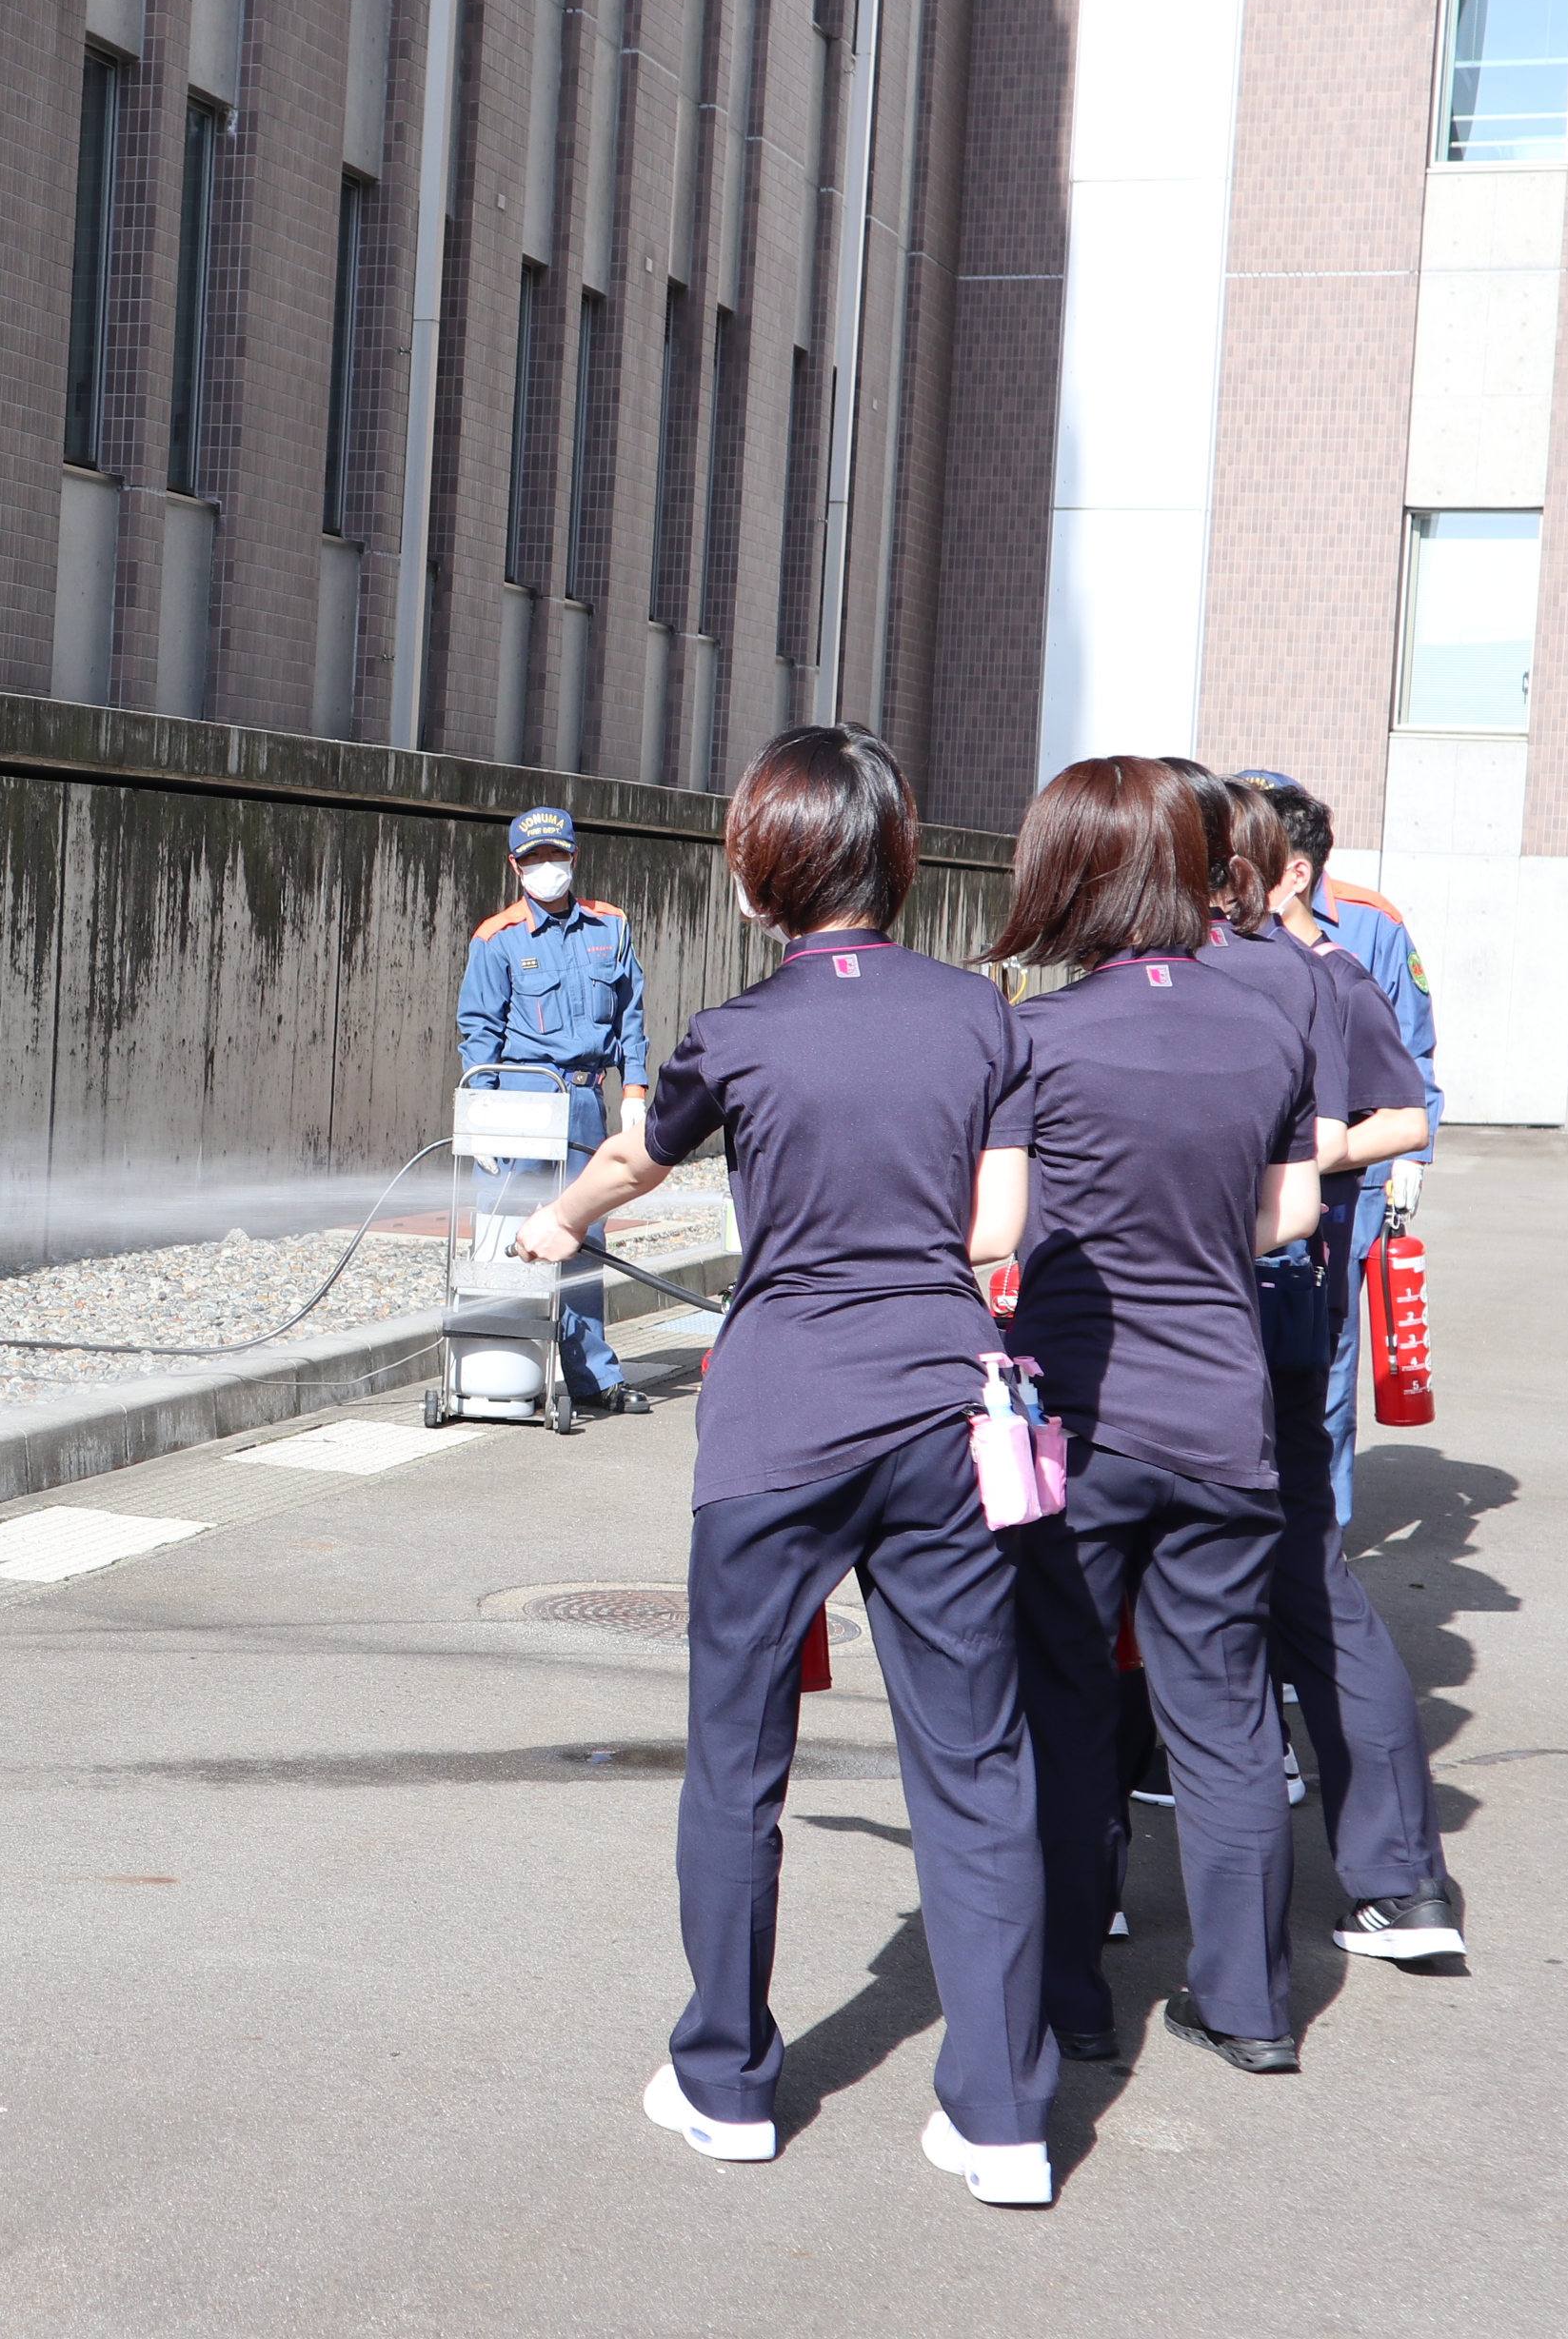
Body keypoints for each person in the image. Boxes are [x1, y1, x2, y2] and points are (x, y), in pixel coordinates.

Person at [518, 726, 1056, 2207]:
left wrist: (558, 1224)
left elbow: (638, 1158)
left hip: (776, 1424)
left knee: (738, 1763)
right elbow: (997, 1230)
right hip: (944, 1413)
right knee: (975, 1761)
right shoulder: (981, 1016)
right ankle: (1003, 2119)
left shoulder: (736, 1032)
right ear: (895, 859)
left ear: (762, 876)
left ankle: (728, 2084)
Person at [987, 757, 1325, 2077]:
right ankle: (1249, 2007)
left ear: (1072, 877)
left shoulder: (1038, 1038)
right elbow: (1292, 1213)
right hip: (1224, 1415)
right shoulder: (1267, 1025)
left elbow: (995, 1226)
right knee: (1226, 1715)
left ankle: (1072, 1994)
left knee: (1067, 1707)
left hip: (1081, 1422)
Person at [1237, 783, 1470, 1963]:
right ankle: (1387, 1877)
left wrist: (1318, 1165)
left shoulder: (1337, 955)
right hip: (1257, 1289)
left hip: (1270, 1286)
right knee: (1291, 1565)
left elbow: (1407, 1104)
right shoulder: (1283, 971)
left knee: (1166, 1566)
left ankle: (1091, 1900)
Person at [1236, 770, 1439, 1526]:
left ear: (1293, 866)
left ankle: (1325, 1534)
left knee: (1325, 1363)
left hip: (1339, 1188)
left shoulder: (1366, 929)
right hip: (1240, 1188)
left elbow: (1410, 1061)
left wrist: (1405, 1162)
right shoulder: (1207, 932)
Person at [458, 805, 652, 1419]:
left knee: (584, 1232)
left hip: (587, 1100)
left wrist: (635, 1092)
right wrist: (483, 1114)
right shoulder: (497, 937)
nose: (548, 866)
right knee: (511, 1230)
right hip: (524, 1099)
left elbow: (631, 1016)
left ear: (574, 856)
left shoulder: (611, 926)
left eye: (556, 855)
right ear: (515, 866)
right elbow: (479, 1030)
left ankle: (593, 1379)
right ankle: (505, 1369)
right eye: (534, 858)